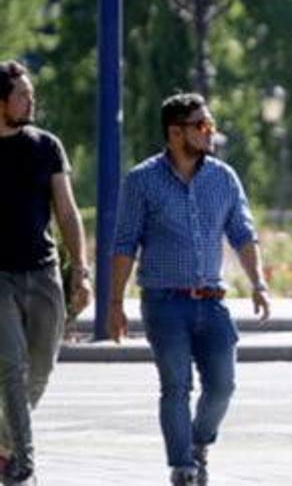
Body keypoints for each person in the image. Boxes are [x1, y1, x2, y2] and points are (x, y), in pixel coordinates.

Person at [107, 93, 272, 486]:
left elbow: (243, 234)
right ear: (175, 132)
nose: (209, 132)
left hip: (212, 303)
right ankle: (182, 467)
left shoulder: (223, 178)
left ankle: (198, 443)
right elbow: (125, 243)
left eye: (210, 125)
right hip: (164, 304)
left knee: (222, 386)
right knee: (176, 386)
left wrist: (258, 283)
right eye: (201, 126)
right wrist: (115, 303)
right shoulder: (142, 181)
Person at [0, 60, 92, 486]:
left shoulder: (47, 146)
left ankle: (3, 445)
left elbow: (68, 213)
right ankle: (24, 464)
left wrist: (82, 271)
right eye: (22, 94)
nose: (30, 99)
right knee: (11, 366)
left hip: (44, 273)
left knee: (40, 370)